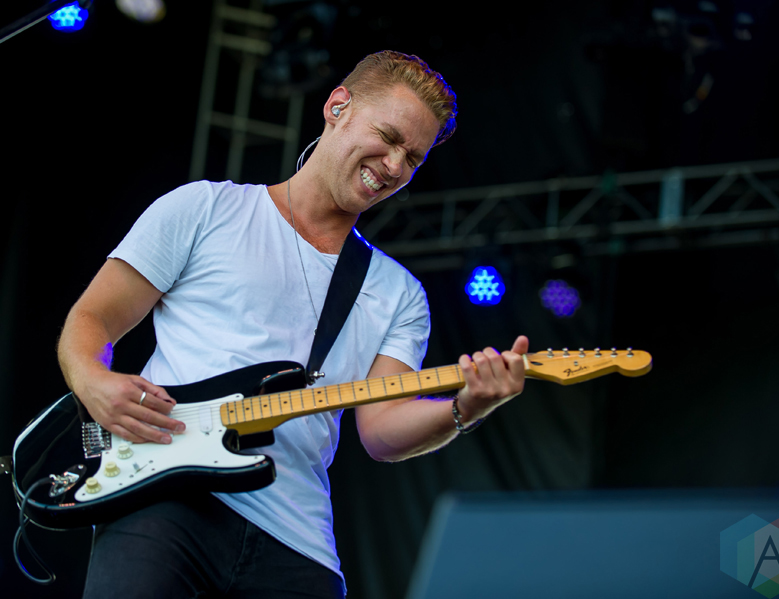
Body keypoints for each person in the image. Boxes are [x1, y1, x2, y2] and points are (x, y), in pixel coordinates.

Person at [57, 50, 528, 598]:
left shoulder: (399, 294)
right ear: (338, 106)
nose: (395, 166)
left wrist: (464, 408)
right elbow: (93, 317)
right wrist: (94, 381)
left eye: (413, 158)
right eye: (388, 137)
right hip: (164, 498)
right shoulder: (205, 209)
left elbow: (381, 433)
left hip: (297, 541)